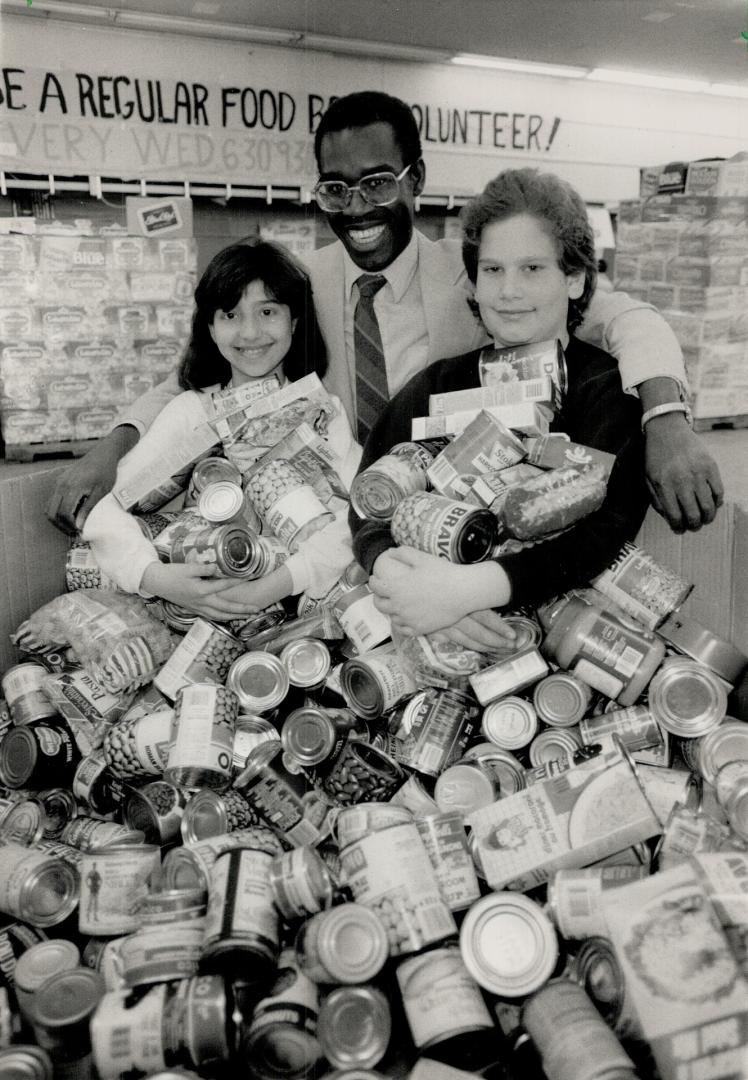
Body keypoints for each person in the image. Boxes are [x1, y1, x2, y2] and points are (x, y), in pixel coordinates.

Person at [48, 91, 722, 536]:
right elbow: (198, 371)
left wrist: (666, 419)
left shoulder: (481, 272)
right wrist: (113, 447)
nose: (357, 207)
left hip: (450, 517)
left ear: (417, 180)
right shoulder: (298, 279)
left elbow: (626, 317)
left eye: (377, 182)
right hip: (324, 515)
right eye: (336, 189)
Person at [352, 167, 649, 651]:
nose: (509, 290)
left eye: (532, 268)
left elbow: (605, 528)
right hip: (427, 633)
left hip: (558, 641)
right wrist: (400, 579)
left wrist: (464, 592)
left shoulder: (603, 388)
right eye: (493, 270)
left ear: (574, 278)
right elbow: (367, 502)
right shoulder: (438, 382)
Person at [82, 239, 361, 621]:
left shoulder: (323, 412)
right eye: (230, 315)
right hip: (193, 618)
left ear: (294, 321)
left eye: (267, 311)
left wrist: (272, 587)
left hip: (303, 615)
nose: (250, 333)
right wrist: (156, 577)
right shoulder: (191, 412)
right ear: (210, 328)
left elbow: (357, 518)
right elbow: (103, 509)